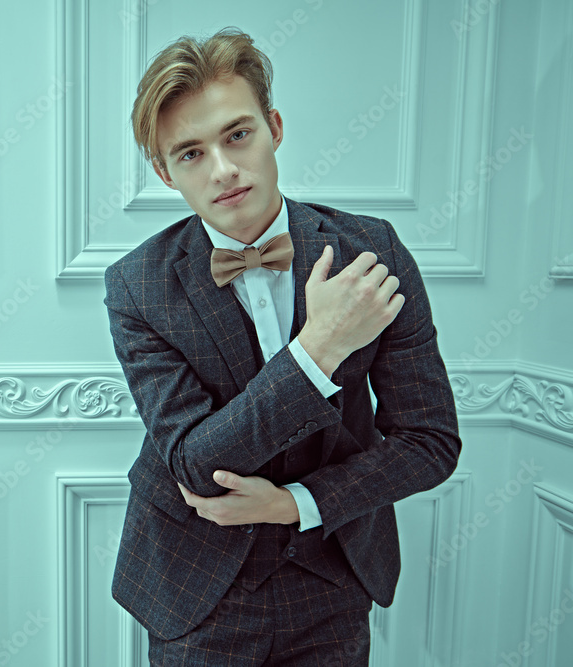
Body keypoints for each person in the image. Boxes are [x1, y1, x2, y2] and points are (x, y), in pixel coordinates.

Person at [103, 27, 461, 665]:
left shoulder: (372, 252)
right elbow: (193, 464)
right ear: (164, 171)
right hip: (196, 585)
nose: (223, 169)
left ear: (273, 127)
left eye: (238, 134)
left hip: (334, 575)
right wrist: (318, 348)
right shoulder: (138, 285)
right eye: (191, 153)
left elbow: (430, 442)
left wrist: (298, 504)